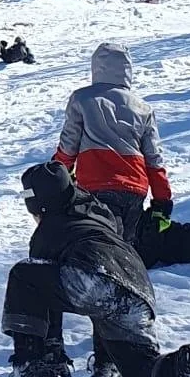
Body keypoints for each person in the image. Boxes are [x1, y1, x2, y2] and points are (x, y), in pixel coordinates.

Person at [1, 162, 190, 377]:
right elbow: (103, 295)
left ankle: (35, 364)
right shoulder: (97, 212)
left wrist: (50, 348)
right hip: (138, 289)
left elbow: (43, 292)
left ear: (40, 205)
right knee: (140, 372)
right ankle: (176, 375)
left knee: (26, 276)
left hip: (97, 279)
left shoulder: (50, 229)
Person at [53, 42, 172, 246]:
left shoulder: (82, 98)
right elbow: (154, 158)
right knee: (126, 244)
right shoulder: (142, 107)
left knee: (103, 243)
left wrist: (58, 171)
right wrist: (162, 199)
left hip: (96, 182)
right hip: (135, 187)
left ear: (96, 68)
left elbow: (69, 144)